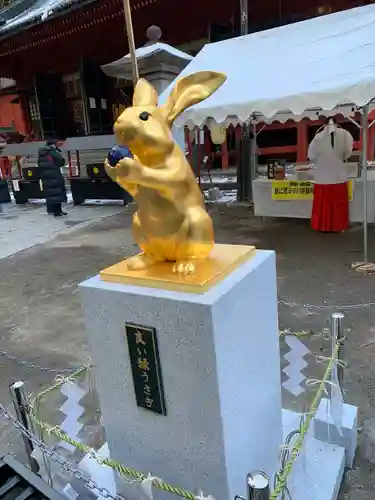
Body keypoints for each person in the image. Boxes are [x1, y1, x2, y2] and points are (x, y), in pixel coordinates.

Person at [308, 118, 353, 233]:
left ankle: (322, 225)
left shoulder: (318, 137)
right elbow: (347, 153)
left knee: (322, 204)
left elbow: (311, 156)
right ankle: (338, 226)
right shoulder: (345, 135)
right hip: (338, 175)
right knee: (338, 204)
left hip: (322, 176)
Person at [38, 139, 67, 217]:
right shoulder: (52, 152)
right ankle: (58, 211)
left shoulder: (41, 153)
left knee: (51, 193)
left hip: (46, 175)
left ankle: (53, 210)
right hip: (54, 174)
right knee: (57, 193)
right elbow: (62, 161)